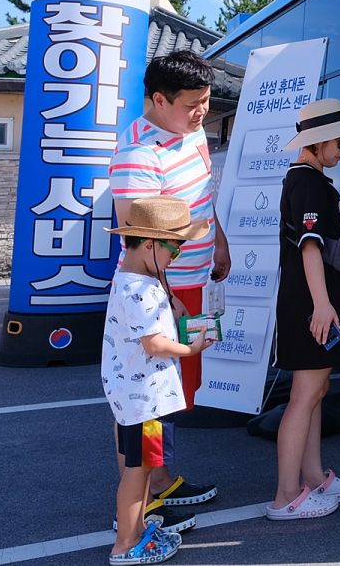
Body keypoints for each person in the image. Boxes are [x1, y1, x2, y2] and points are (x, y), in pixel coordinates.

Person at [109, 50, 228, 514]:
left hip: (191, 282)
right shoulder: (137, 154)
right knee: (146, 399)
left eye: (206, 101)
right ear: (159, 99)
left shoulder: (191, 132)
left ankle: (157, 481)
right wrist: (169, 296)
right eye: (192, 104)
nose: (202, 112)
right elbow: (139, 239)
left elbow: (202, 196)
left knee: (169, 395)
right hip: (161, 293)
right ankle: (143, 499)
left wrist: (218, 240)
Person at [267, 99, 340, 520]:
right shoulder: (306, 182)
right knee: (305, 395)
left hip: (315, 304)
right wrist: (323, 305)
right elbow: (310, 246)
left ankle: (311, 477)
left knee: (315, 393)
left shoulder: (311, 179)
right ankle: (286, 495)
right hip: (311, 307)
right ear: (317, 141)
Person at [102, 196, 215, 564]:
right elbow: (154, 344)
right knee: (139, 471)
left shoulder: (135, 278)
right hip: (145, 400)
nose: (176, 256)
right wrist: (191, 349)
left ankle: (134, 532)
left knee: (141, 467)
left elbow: (163, 310)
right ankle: (125, 544)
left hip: (136, 396)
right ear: (150, 244)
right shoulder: (141, 290)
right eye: (174, 248)